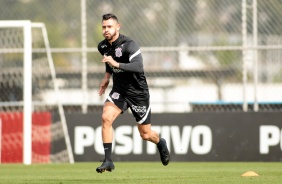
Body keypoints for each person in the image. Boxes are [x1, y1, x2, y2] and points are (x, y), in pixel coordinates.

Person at [96, 13, 170, 173]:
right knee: (106, 117)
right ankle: (108, 160)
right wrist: (107, 77)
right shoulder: (102, 46)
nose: (106, 30)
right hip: (120, 90)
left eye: (109, 26)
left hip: (138, 93)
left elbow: (138, 67)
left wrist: (116, 63)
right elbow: (108, 62)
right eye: (104, 27)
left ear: (117, 27)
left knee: (145, 134)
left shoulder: (130, 45)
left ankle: (160, 142)